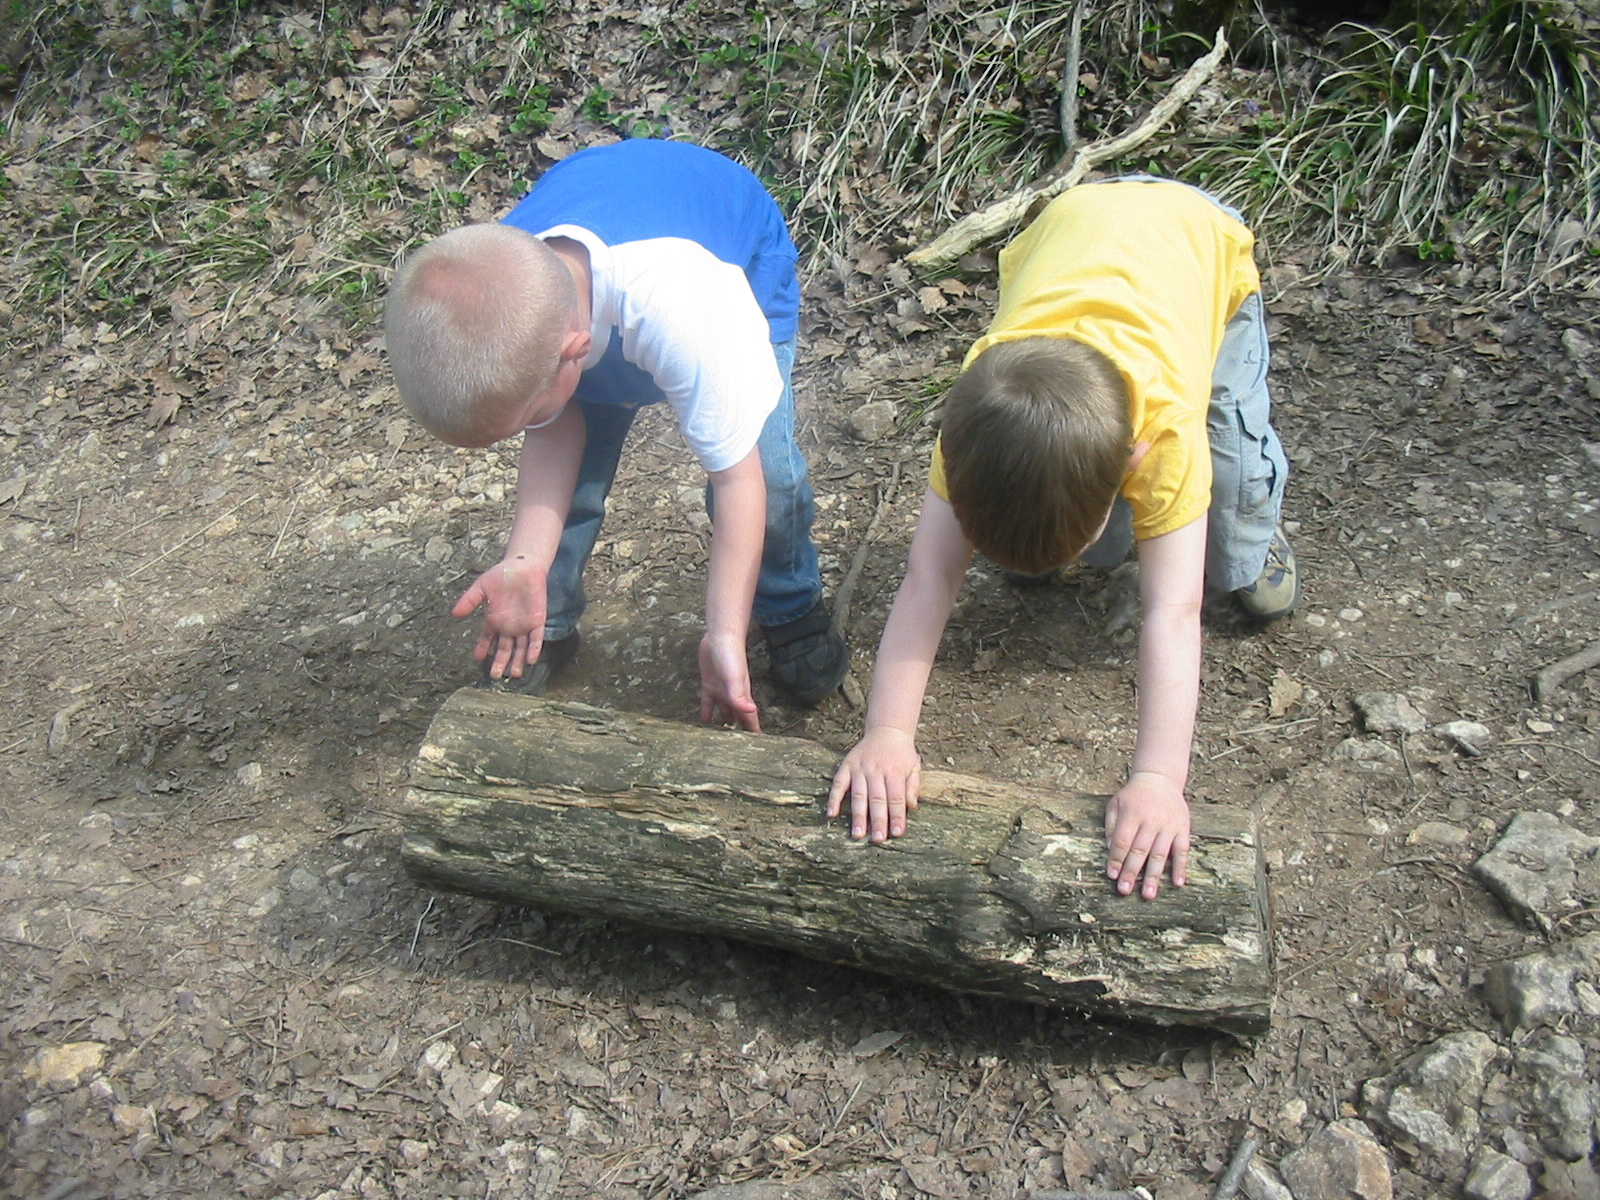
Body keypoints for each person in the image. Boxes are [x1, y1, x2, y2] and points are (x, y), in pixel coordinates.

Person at [827, 176, 1298, 898]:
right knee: (1060, 495)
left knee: (1231, 464)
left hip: (1196, 244)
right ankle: (1058, 534)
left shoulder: (1165, 435)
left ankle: (1254, 547)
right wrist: (887, 732)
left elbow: (1171, 612)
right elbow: (928, 576)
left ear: (1133, 464)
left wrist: (1158, 780)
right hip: (1071, 228)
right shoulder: (977, 421)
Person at [384, 139, 848, 730]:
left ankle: (789, 606)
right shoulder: (511, 294)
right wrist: (524, 559)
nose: (529, 429)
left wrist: (723, 631)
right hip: (599, 288)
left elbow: (739, 481)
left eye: (524, 419)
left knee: (772, 473)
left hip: (731, 258)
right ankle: (542, 611)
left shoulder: (693, 311)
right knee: (570, 469)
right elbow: (555, 432)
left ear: (574, 356)